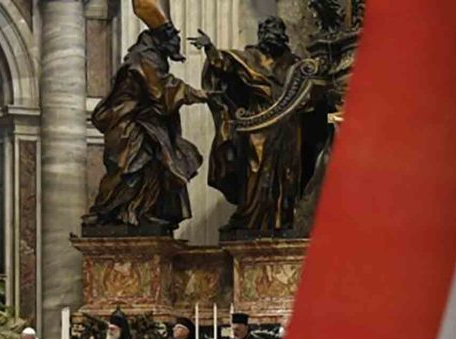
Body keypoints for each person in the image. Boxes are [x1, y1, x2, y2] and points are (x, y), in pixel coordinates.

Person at [82, 0, 207, 230]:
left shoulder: (151, 56)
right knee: (128, 170)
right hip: (128, 125)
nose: (176, 43)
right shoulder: (142, 58)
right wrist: (197, 94)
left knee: (154, 168)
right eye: (173, 38)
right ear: (162, 38)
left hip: (145, 125)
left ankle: (140, 211)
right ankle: (109, 211)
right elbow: (161, 89)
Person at [191, 17, 304, 233]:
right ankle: (250, 219)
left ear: (283, 35)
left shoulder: (292, 63)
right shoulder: (250, 57)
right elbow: (224, 64)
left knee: (286, 174)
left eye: (275, 30)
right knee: (255, 169)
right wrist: (210, 48)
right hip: (258, 122)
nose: (271, 34)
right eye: (267, 30)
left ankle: (281, 221)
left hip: (288, 124)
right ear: (261, 35)